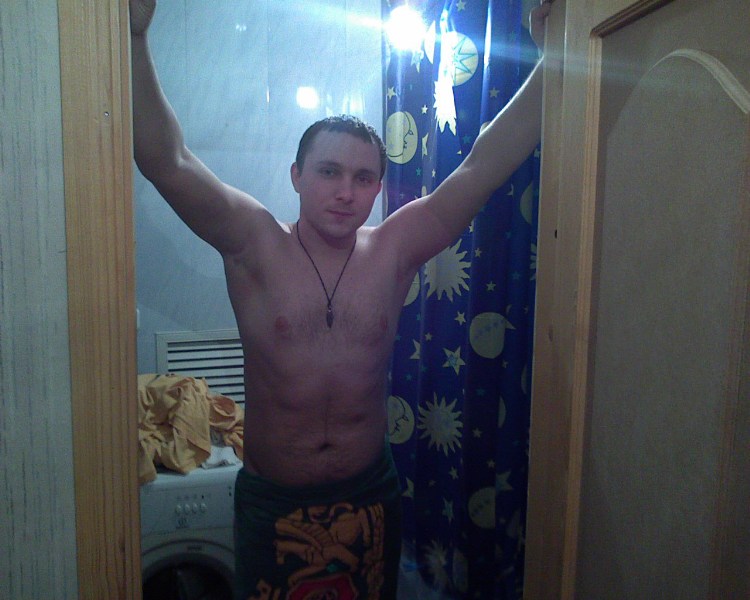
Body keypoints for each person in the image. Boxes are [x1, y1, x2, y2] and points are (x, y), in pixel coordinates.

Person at [129, 1, 552, 597]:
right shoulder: (254, 243)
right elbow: (166, 161)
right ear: (297, 176)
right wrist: (135, 36)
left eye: (363, 178)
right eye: (328, 172)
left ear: (378, 187)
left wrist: (553, 61)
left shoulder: (394, 250)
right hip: (275, 501)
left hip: (368, 494)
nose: (345, 192)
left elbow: (481, 168)